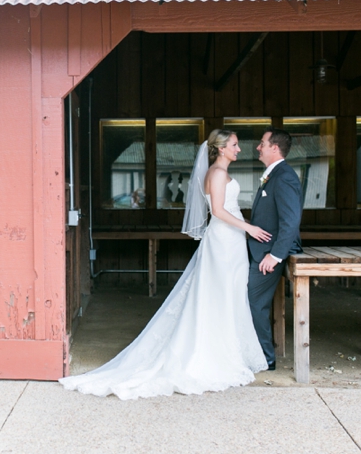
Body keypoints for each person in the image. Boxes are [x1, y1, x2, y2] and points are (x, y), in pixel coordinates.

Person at [59, 129, 272, 400]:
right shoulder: (217, 174)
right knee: (219, 295)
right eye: (234, 144)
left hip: (232, 241)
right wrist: (249, 227)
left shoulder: (221, 172)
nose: (239, 149)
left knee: (230, 294)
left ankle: (227, 349)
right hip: (223, 241)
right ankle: (213, 354)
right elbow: (217, 212)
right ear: (221, 148)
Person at [247, 127, 303, 371]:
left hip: (269, 254)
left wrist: (275, 255)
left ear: (274, 148)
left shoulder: (285, 177)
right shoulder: (273, 174)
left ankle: (265, 358)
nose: (258, 147)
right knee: (252, 302)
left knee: (255, 303)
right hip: (262, 249)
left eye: (262, 143)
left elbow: (290, 220)